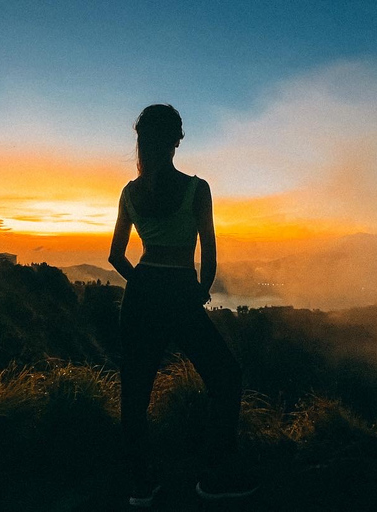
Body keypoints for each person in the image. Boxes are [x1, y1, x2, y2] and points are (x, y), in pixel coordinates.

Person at [109, 104, 257, 507]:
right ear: (176, 141)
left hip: (141, 294)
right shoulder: (197, 188)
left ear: (142, 142)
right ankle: (215, 476)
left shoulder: (130, 192)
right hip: (179, 290)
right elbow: (208, 255)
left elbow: (116, 256)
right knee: (225, 376)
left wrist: (142, 285)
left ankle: (141, 486)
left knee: (135, 392)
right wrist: (200, 290)